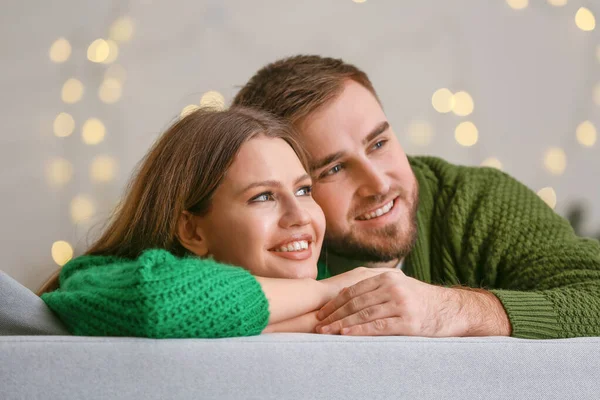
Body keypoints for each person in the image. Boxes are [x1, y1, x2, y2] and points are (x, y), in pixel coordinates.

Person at [232, 55, 600, 339]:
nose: (377, 183)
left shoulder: (476, 202)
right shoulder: (241, 233)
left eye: (378, 143)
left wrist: (452, 310)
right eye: (333, 170)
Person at [42, 107, 384, 338]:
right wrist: (324, 293)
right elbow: (160, 300)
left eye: (304, 190)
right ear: (192, 231)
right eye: (263, 196)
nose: (300, 217)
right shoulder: (95, 282)